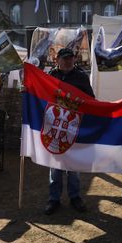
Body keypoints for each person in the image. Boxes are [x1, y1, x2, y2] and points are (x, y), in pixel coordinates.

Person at [44, 48, 93, 215]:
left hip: (73, 127)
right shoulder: (50, 76)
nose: (67, 61)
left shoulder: (81, 77)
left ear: (74, 59)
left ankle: (75, 197)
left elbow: (91, 101)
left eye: (70, 58)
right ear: (57, 59)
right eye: (64, 58)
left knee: (73, 166)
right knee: (55, 166)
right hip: (54, 127)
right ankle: (54, 199)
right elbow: (41, 95)